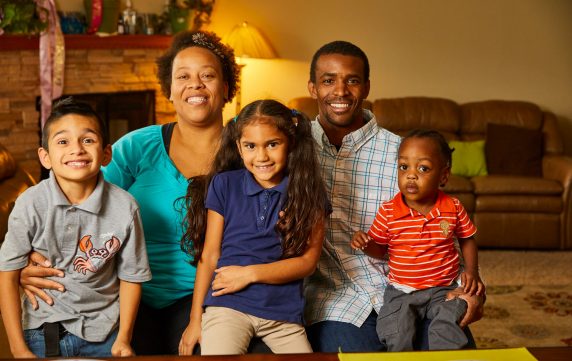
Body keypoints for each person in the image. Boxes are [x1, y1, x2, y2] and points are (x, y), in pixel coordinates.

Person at [17, 30, 240, 355]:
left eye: (208, 75)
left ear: (226, 88)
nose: (195, 84)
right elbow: (74, 195)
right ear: (170, 90)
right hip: (128, 290)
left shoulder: (249, 150)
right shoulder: (139, 146)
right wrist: (27, 256)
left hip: (210, 297)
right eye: (183, 76)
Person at [303, 40, 484, 352]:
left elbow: (444, 228)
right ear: (313, 88)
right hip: (336, 300)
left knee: (453, 352)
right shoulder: (291, 148)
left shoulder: (402, 154)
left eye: (353, 80)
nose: (341, 91)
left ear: (367, 87)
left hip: (417, 288)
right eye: (328, 80)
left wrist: (472, 288)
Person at [0, 98, 151, 358]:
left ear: (106, 154)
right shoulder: (30, 203)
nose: (77, 149)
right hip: (43, 329)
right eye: (63, 142)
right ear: (45, 157)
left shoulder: (126, 208)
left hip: (105, 331)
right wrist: (18, 348)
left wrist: (124, 338)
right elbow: (8, 275)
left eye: (88, 140)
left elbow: (131, 277)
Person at [178, 99, 329, 355]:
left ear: (290, 143)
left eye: (272, 144)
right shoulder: (224, 184)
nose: (261, 157)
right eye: (250, 146)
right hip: (228, 305)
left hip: (284, 315)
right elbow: (210, 255)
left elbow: (308, 263)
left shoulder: (308, 192)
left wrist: (249, 274)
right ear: (238, 147)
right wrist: (195, 320)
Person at [351, 129, 484, 351]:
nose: (411, 175)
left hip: (445, 288)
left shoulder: (453, 207)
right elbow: (380, 250)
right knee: (397, 331)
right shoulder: (389, 211)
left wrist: (472, 272)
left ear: (443, 175)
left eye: (423, 168)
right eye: (404, 167)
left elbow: (467, 238)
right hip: (402, 291)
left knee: (448, 324)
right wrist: (367, 245)